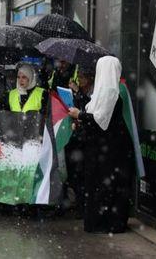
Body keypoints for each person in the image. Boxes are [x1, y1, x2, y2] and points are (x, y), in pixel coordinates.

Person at [68, 56, 135, 233]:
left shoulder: (111, 92)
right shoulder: (102, 91)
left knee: (107, 185)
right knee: (99, 183)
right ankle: (99, 221)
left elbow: (101, 120)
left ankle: (108, 223)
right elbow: (96, 117)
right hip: (104, 147)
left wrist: (80, 115)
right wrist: (81, 118)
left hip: (112, 149)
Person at [63, 69, 95, 217]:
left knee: (82, 174)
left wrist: (78, 93)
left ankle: (84, 207)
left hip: (86, 140)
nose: (80, 80)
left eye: (82, 77)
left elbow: (90, 112)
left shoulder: (92, 93)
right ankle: (79, 204)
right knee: (74, 174)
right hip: (77, 136)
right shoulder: (81, 93)